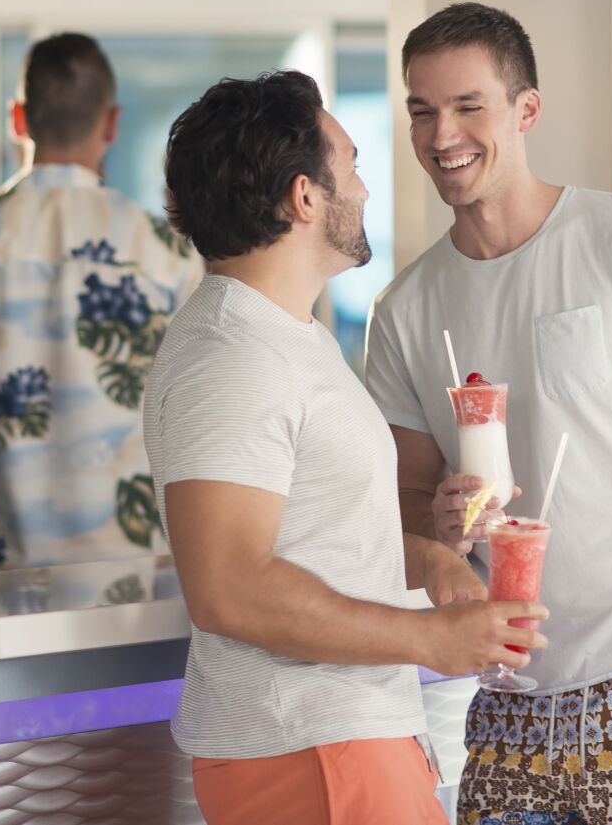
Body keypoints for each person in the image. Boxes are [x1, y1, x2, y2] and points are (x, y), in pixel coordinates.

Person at [365, 3, 612, 825]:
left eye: (469, 105)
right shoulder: (404, 308)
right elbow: (403, 511)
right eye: (421, 109)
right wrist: (438, 525)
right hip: (513, 698)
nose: (443, 134)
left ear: (526, 110)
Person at [143, 71, 544, 825]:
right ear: (304, 197)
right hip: (312, 751)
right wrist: (430, 637)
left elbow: (316, 538)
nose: (364, 187)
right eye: (351, 166)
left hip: (346, 743)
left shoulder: (288, 335)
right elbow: (228, 585)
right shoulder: (231, 355)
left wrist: (429, 561)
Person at [0, 33, 201, 574]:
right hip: (133, 577)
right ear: (111, 123)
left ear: (17, 119)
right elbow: (195, 421)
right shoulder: (172, 256)